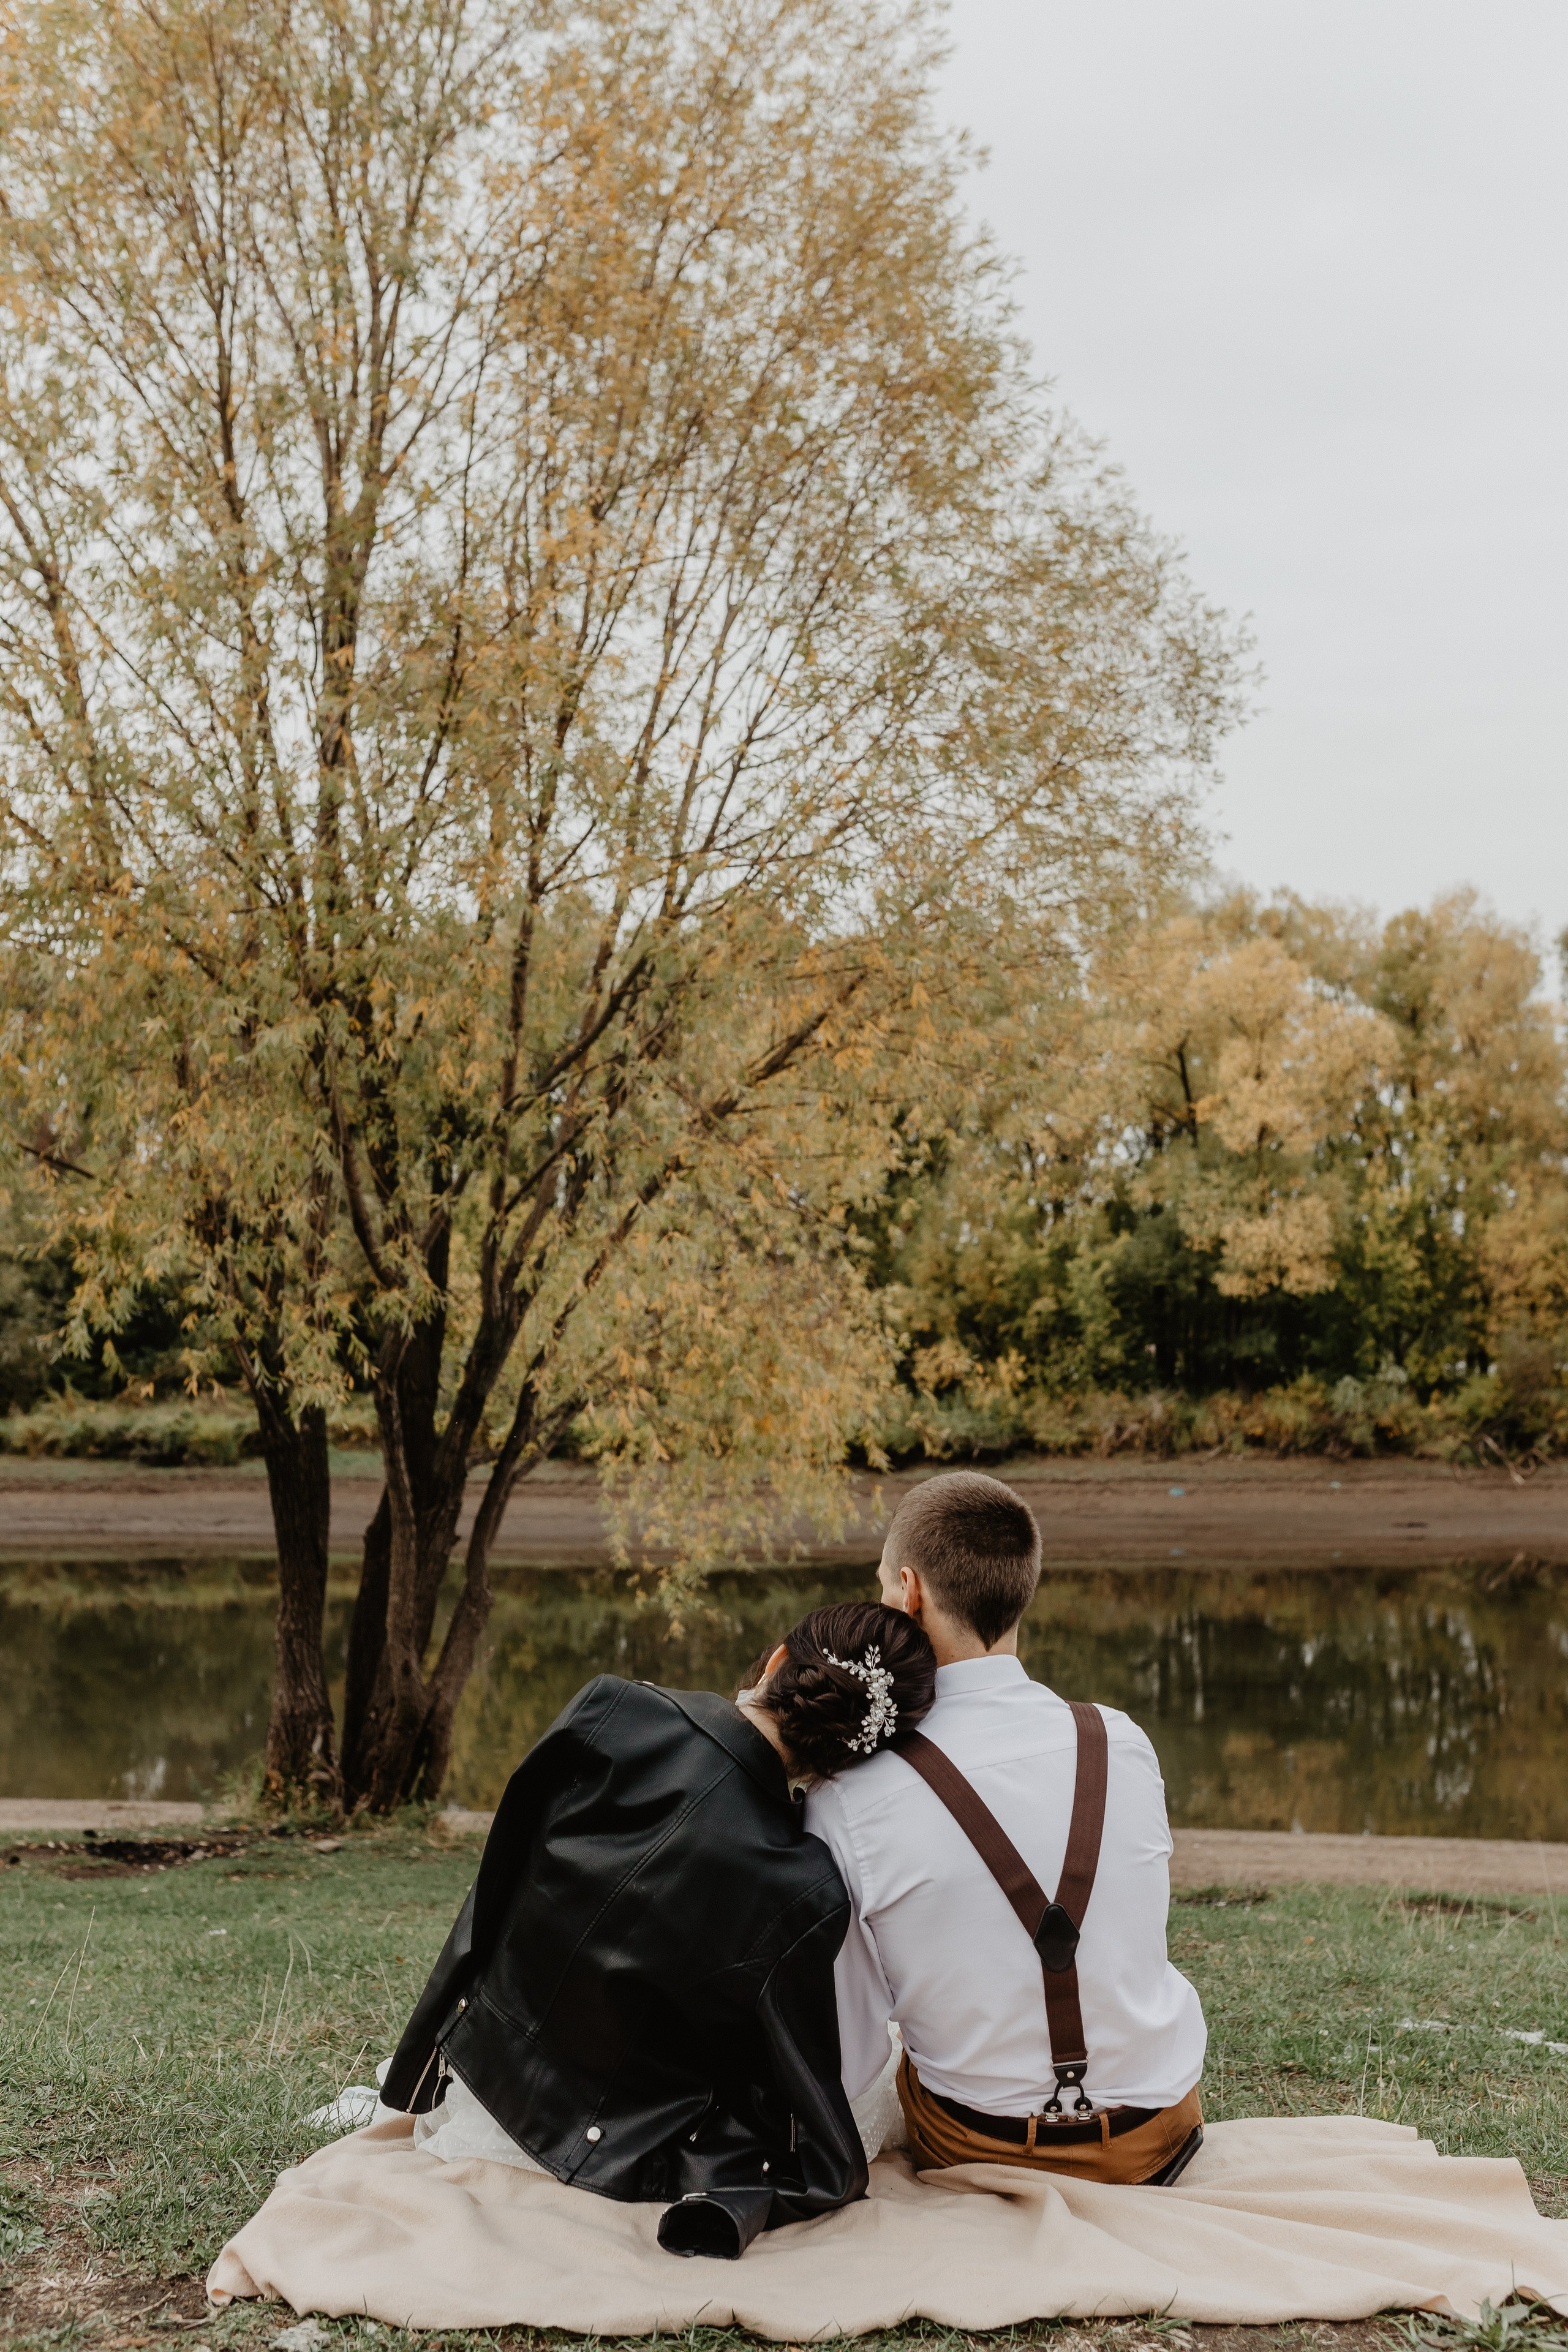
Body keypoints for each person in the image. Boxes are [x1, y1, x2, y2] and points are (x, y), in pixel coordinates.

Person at [381, 1599, 937, 2259]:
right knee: (883, 2074)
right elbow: (791, 2082)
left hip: (484, 2075)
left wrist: (421, 2064)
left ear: (779, 1662)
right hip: (613, 2150)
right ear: (856, 1757)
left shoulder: (610, 1710)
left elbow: (491, 1897)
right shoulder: (803, 1885)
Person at [805, 1470, 1207, 2186]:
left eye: (881, 1585)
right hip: (1156, 2137)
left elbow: (854, 2047)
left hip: (976, 2144)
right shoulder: (1119, 1740)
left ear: (909, 1590)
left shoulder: (851, 1797)